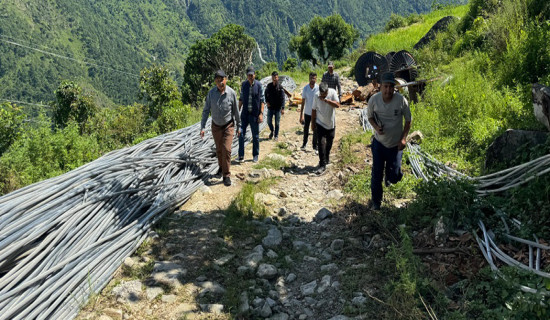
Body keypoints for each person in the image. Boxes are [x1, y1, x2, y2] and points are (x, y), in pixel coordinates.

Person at [367, 72, 412, 210]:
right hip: (379, 144)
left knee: (395, 176)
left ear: (394, 88)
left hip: (395, 145)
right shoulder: (374, 100)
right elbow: (370, 117)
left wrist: (403, 138)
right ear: (380, 87)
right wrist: (376, 127)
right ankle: (376, 203)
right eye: (385, 86)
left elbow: (408, 120)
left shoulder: (400, 100)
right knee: (376, 174)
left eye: (390, 87)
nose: (388, 90)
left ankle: (390, 176)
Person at [200, 70, 241, 187]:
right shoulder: (211, 93)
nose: (220, 82)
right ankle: (221, 167)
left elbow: (236, 112)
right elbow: (206, 110)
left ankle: (226, 175)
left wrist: (239, 126)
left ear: (226, 79)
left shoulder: (231, 93)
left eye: (221, 79)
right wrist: (202, 127)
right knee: (218, 150)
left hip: (228, 125)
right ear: (215, 81)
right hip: (216, 126)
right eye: (217, 80)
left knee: (226, 149)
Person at [311, 82, 340, 175]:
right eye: (321, 94)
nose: (322, 96)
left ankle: (326, 157)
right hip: (320, 123)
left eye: (325, 94)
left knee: (329, 143)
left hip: (331, 124)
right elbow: (313, 109)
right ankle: (322, 164)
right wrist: (313, 123)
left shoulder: (333, 93)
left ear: (327, 91)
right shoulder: (316, 96)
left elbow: (337, 105)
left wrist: (327, 100)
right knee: (321, 144)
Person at [238, 66, 265, 163]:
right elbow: (241, 99)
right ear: (247, 75)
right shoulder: (244, 85)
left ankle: (255, 155)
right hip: (244, 114)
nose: (250, 76)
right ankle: (241, 155)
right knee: (240, 133)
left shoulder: (259, 85)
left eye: (252, 75)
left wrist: (261, 114)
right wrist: (238, 112)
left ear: (255, 75)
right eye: (248, 75)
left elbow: (262, 100)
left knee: (255, 136)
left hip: (254, 114)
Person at [299, 72, 319, 151]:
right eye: (311, 78)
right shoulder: (305, 88)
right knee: (306, 129)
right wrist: (301, 115)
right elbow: (303, 102)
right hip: (307, 112)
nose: (312, 80)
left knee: (315, 129)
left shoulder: (318, 88)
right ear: (309, 79)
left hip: (316, 113)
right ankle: (304, 144)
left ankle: (315, 145)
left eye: (314, 78)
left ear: (316, 79)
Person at [265, 71, 286, 141]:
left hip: (277, 108)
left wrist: (283, 108)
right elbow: (265, 94)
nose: (275, 79)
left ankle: (276, 135)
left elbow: (283, 98)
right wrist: (267, 102)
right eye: (273, 77)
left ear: (278, 78)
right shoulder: (269, 86)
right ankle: (272, 130)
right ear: (272, 78)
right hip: (270, 107)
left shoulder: (280, 87)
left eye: (276, 77)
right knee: (268, 121)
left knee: (277, 122)